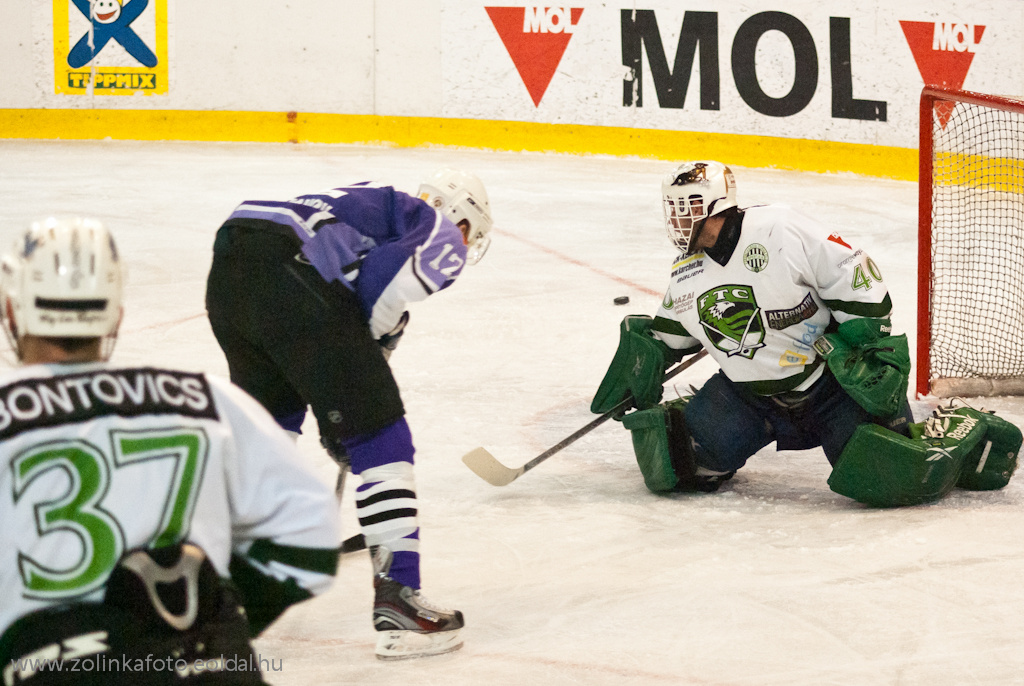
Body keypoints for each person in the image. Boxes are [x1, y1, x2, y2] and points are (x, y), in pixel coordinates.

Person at [0, 217, 341, 685]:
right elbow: (310, 535)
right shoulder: (207, 400)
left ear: (13, 310)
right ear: (116, 313)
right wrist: (208, 622)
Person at [592, 161, 1020, 506]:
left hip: (829, 388)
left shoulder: (780, 229)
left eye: (685, 208)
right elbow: (669, 335)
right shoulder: (687, 272)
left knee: (890, 477)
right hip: (748, 397)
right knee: (677, 466)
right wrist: (640, 364)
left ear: (715, 206)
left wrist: (868, 338)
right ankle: (705, 414)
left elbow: (852, 273)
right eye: (672, 209)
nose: (677, 219)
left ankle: (961, 427)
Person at [204, 169, 493, 659]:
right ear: (461, 218)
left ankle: (211, 598)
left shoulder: (364, 203)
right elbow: (375, 295)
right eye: (468, 234)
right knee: (382, 436)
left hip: (233, 265)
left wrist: (339, 391)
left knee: (265, 439)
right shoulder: (435, 226)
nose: (463, 246)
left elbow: (336, 301)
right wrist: (357, 400)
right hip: (290, 276)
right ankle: (400, 601)